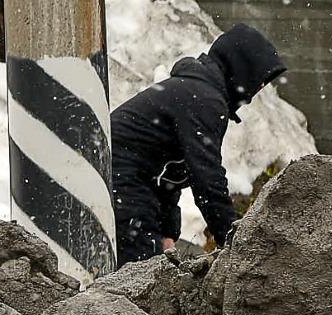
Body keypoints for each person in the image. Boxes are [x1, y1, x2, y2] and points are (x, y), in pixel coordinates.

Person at [108, 24, 286, 268]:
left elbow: (170, 173)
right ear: (242, 71)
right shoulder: (204, 99)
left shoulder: (198, 92)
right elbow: (206, 178)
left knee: (145, 266)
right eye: (259, 80)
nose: (260, 88)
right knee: (139, 271)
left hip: (124, 176)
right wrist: (234, 242)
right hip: (119, 176)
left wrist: (167, 233)